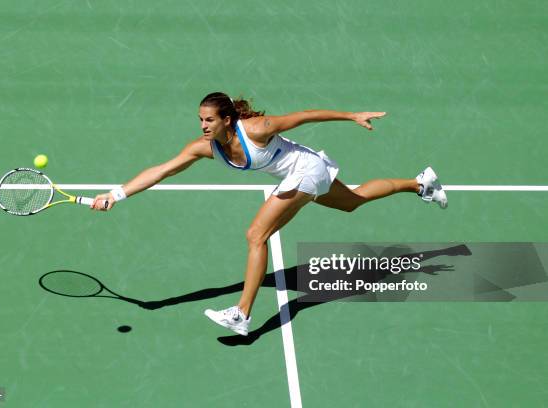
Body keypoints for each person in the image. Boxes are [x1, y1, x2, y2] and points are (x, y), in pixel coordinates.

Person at [90, 92, 447, 336]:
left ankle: (242, 314)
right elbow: (163, 170)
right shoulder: (205, 148)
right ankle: (421, 185)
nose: (203, 126)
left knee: (255, 235)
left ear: (228, 119)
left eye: (210, 120)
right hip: (302, 174)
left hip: (306, 170)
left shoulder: (257, 129)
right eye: (200, 120)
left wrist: (351, 115)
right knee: (352, 199)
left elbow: (305, 116)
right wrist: (116, 194)